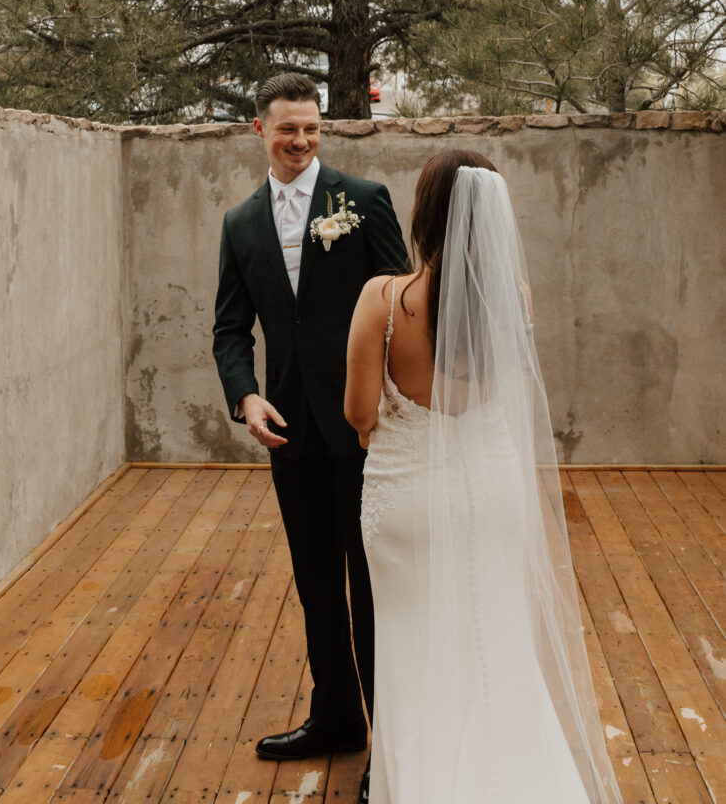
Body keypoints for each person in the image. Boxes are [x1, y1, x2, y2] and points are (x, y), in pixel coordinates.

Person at [345, 149, 624, 804]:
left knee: (411, 648)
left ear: (425, 214)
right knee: (492, 637)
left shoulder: (382, 300)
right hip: (493, 491)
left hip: (406, 499)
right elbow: (506, 395)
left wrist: (389, 428)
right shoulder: (513, 298)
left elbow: (358, 413)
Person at [212, 72, 408, 804]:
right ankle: (334, 720)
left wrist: (389, 402)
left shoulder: (361, 202)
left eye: (312, 128)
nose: (301, 140)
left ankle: (390, 748)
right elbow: (230, 329)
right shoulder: (239, 224)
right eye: (287, 128)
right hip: (288, 431)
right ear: (257, 130)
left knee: (372, 586)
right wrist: (246, 395)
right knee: (316, 580)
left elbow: (400, 303)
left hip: (363, 425)